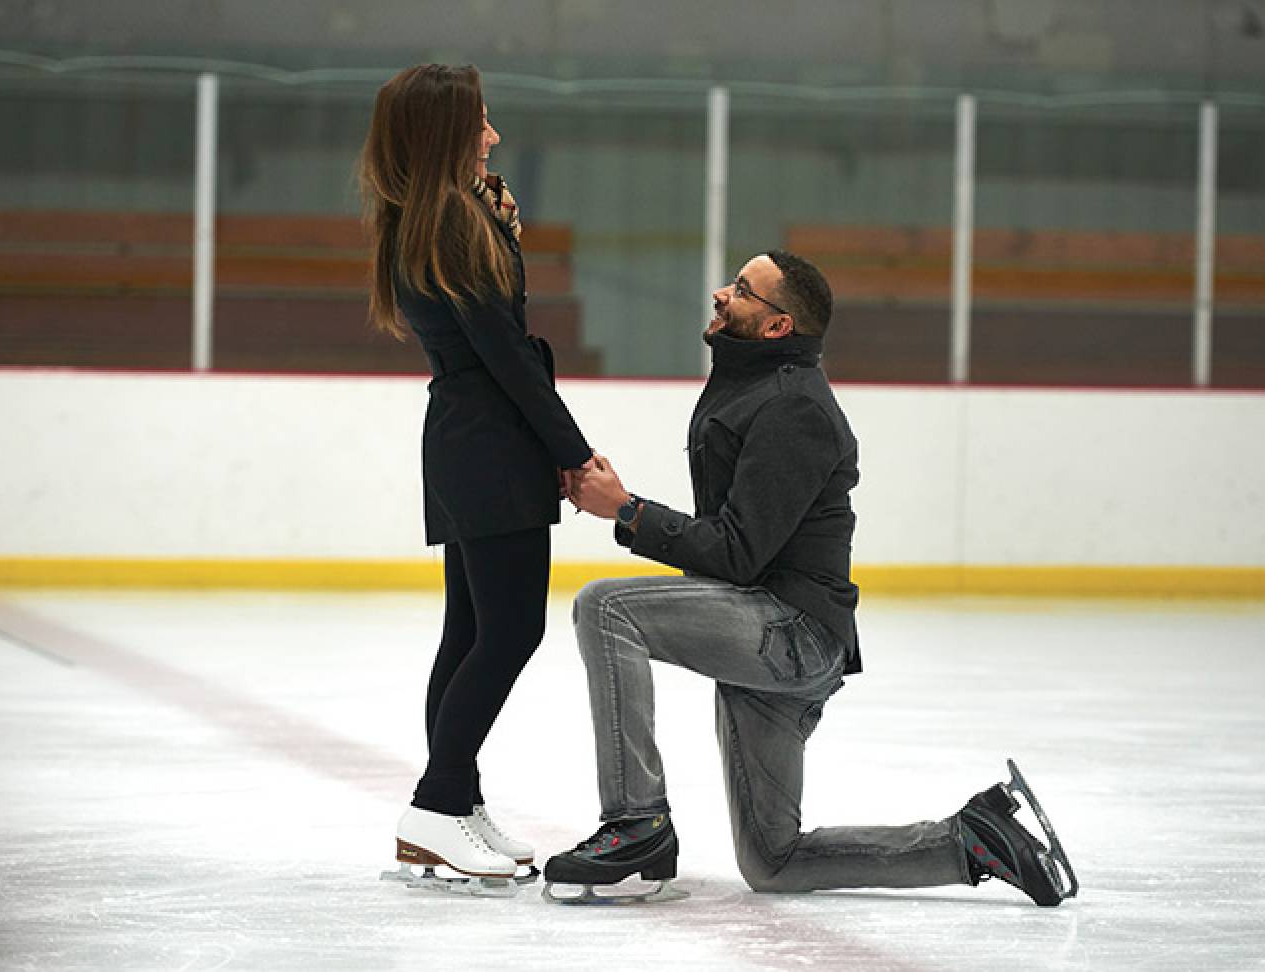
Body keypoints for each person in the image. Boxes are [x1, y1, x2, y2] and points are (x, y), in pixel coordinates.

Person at [545, 250, 1078, 906]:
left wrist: (627, 510)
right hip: (769, 632)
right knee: (773, 861)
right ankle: (970, 839)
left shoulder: (794, 406)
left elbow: (739, 552)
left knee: (606, 608)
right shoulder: (756, 387)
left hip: (787, 633)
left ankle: (635, 821)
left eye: (741, 290)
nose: (720, 294)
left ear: (777, 327)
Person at [360, 64, 595, 892]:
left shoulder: (427, 220)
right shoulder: (455, 226)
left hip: (466, 439)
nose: (493, 138)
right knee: (508, 633)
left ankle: (455, 802)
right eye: (480, 126)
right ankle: (433, 805)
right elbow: (506, 356)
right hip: (491, 442)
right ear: (444, 137)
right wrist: (575, 452)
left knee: (470, 633)